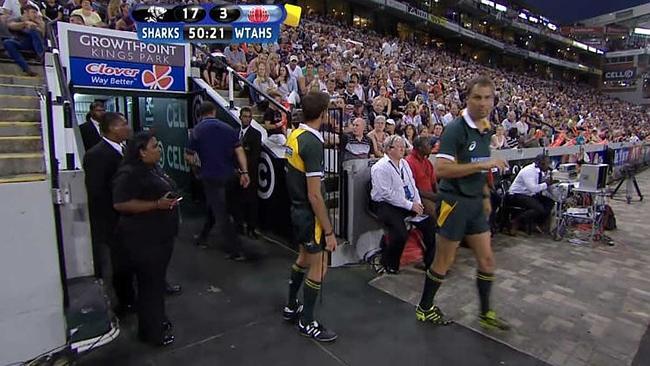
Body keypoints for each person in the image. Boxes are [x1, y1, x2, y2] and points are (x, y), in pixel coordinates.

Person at [415, 75, 511, 330]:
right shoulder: (456, 129)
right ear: (467, 99)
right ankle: (424, 308)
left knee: (487, 261)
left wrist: (486, 195)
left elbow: (478, 166)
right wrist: (485, 164)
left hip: (475, 203)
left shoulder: (486, 127)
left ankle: (486, 312)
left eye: (487, 98)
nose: (483, 103)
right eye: (477, 97)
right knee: (443, 262)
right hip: (454, 202)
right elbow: (441, 170)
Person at [112, 131, 180, 347]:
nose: (159, 149)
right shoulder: (129, 174)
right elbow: (120, 204)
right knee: (150, 285)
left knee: (156, 283)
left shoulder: (153, 169)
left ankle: (156, 320)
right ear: (141, 152)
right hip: (145, 238)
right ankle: (151, 332)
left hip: (162, 235)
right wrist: (155, 205)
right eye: (154, 146)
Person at [282, 91, 338, 342]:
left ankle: (292, 305)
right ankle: (307, 322)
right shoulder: (313, 143)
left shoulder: (294, 134)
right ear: (323, 113)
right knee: (320, 266)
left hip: (297, 210)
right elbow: (315, 195)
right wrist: (328, 231)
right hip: (309, 214)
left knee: (303, 257)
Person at [188, 101, 251, 260]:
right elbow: (240, 151)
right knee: (215, 207)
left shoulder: (197, 131)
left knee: (221, 213)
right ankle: (203, 236)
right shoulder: (229, 129)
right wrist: (244, 172)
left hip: (210, 177)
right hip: (230, 176)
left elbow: (189, 156)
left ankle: (237, 250)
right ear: (214, 112)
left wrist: (196, 170)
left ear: (200, 114)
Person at [83, 112, 132, 309]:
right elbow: (97, 192)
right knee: (119, 262)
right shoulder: (96, 155)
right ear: (112, 128)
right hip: (114, 220)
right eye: (124, 124)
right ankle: (125, 302)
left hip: (132, 218)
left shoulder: (125, 149)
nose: (128, 128)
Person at [371, 135, 436, 273]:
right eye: (399, 146)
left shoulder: (404, 164)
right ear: (389, 149)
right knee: (400, 233)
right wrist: (410, 205)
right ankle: (390, 263)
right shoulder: (380, 167)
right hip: (385, 204)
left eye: (403, 146)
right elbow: (386, 194)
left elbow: (411, 184)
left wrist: (418, 203)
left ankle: (430, 263)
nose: (403, 149)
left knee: (430, 223)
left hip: (405, 202)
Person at [506, 154, 554, 235]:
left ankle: (536, 222)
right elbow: (533, 188)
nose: (548, 165)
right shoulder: (529, 171)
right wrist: (546, 184)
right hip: (516, 195)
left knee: (549, 202)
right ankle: (516, 221)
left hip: (529, 194)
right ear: (541, 163)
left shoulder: (539, 171)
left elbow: (537, 187)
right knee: (539, 208)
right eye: (547, 163)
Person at [232, 107, 262, 239]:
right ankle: (239, 226)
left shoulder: (256, 134)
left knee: (251, 201)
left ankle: (252, 228)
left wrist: (245, 171)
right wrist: (236, 169)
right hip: (236, 173)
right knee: (237, 200)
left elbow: (255, 156)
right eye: (244, 116)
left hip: (250, 173)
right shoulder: (235, 132)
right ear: (240, 117)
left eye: (249, 117)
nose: (246, 119)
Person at [3, 5, 44, 77]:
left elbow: (43, 36)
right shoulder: (17, 19)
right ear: (25, 12)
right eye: (33, 12)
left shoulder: (37, 22)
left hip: (35, 44)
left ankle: (42, 57)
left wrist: (40, 25)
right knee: (8, 42)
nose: (35, 15)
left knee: (33, 31)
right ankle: (26, 69)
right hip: (22, 43)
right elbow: (11, 25)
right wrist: (25, 24)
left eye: (36, 13)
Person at [405, 136, 438, 220]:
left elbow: (434, 183)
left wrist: (440, 195)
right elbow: (412, 189)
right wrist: (433, 196)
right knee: (434, 211)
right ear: (420, 148)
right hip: (418, 197)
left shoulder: (427, 162)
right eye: (427, 144)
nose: (431, 146)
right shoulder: (409, 162)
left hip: (431, 195)